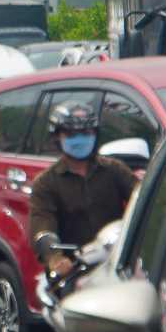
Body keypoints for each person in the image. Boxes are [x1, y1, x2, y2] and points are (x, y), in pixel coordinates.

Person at [27, 103, 137, 278]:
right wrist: (55, 258)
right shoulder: (45, 183)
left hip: (118, 260)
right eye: (71, 134)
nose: (80, 138)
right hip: (75, 270)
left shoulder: (115, 170)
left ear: (95, 135)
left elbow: (142, 199)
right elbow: (42, 226)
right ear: (56, 137)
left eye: (86, 133)